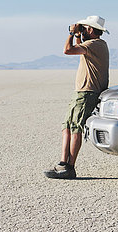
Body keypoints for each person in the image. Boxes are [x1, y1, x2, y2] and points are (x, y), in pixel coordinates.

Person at [45, 15, 110, 180]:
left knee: (75, 128)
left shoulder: (94, 44)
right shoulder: (97, 44)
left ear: (90, 29)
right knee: (67, 126)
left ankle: (70, 167)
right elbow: (80, 46)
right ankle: (62, 163)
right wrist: (77, 35)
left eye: (84, 28)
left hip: (87, 92)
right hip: (82, 92)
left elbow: (68, 50)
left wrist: (71, 34)